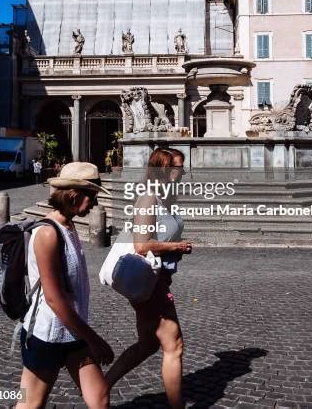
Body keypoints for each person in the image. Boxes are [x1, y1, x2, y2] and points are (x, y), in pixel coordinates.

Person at [17, 162, 114, 409]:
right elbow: (53, 298)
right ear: (74, 196)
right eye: (91, 196)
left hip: (73, 331)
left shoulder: (69, 226)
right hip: (47, 335)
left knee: (100, 397)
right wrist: (94, 339)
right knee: (31, 404)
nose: (94, 203)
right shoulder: (48, 234)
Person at [105, 148, 192, 409]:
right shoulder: (148, 199)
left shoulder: (166, 198)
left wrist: (174, 247)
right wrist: (176, 247)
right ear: (163, 169)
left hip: (159, 278)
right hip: (149, 280)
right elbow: (141, 245)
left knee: (147, 345)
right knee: (174, 345)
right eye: (178, 167)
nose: (182, 172)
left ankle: (101, 385)